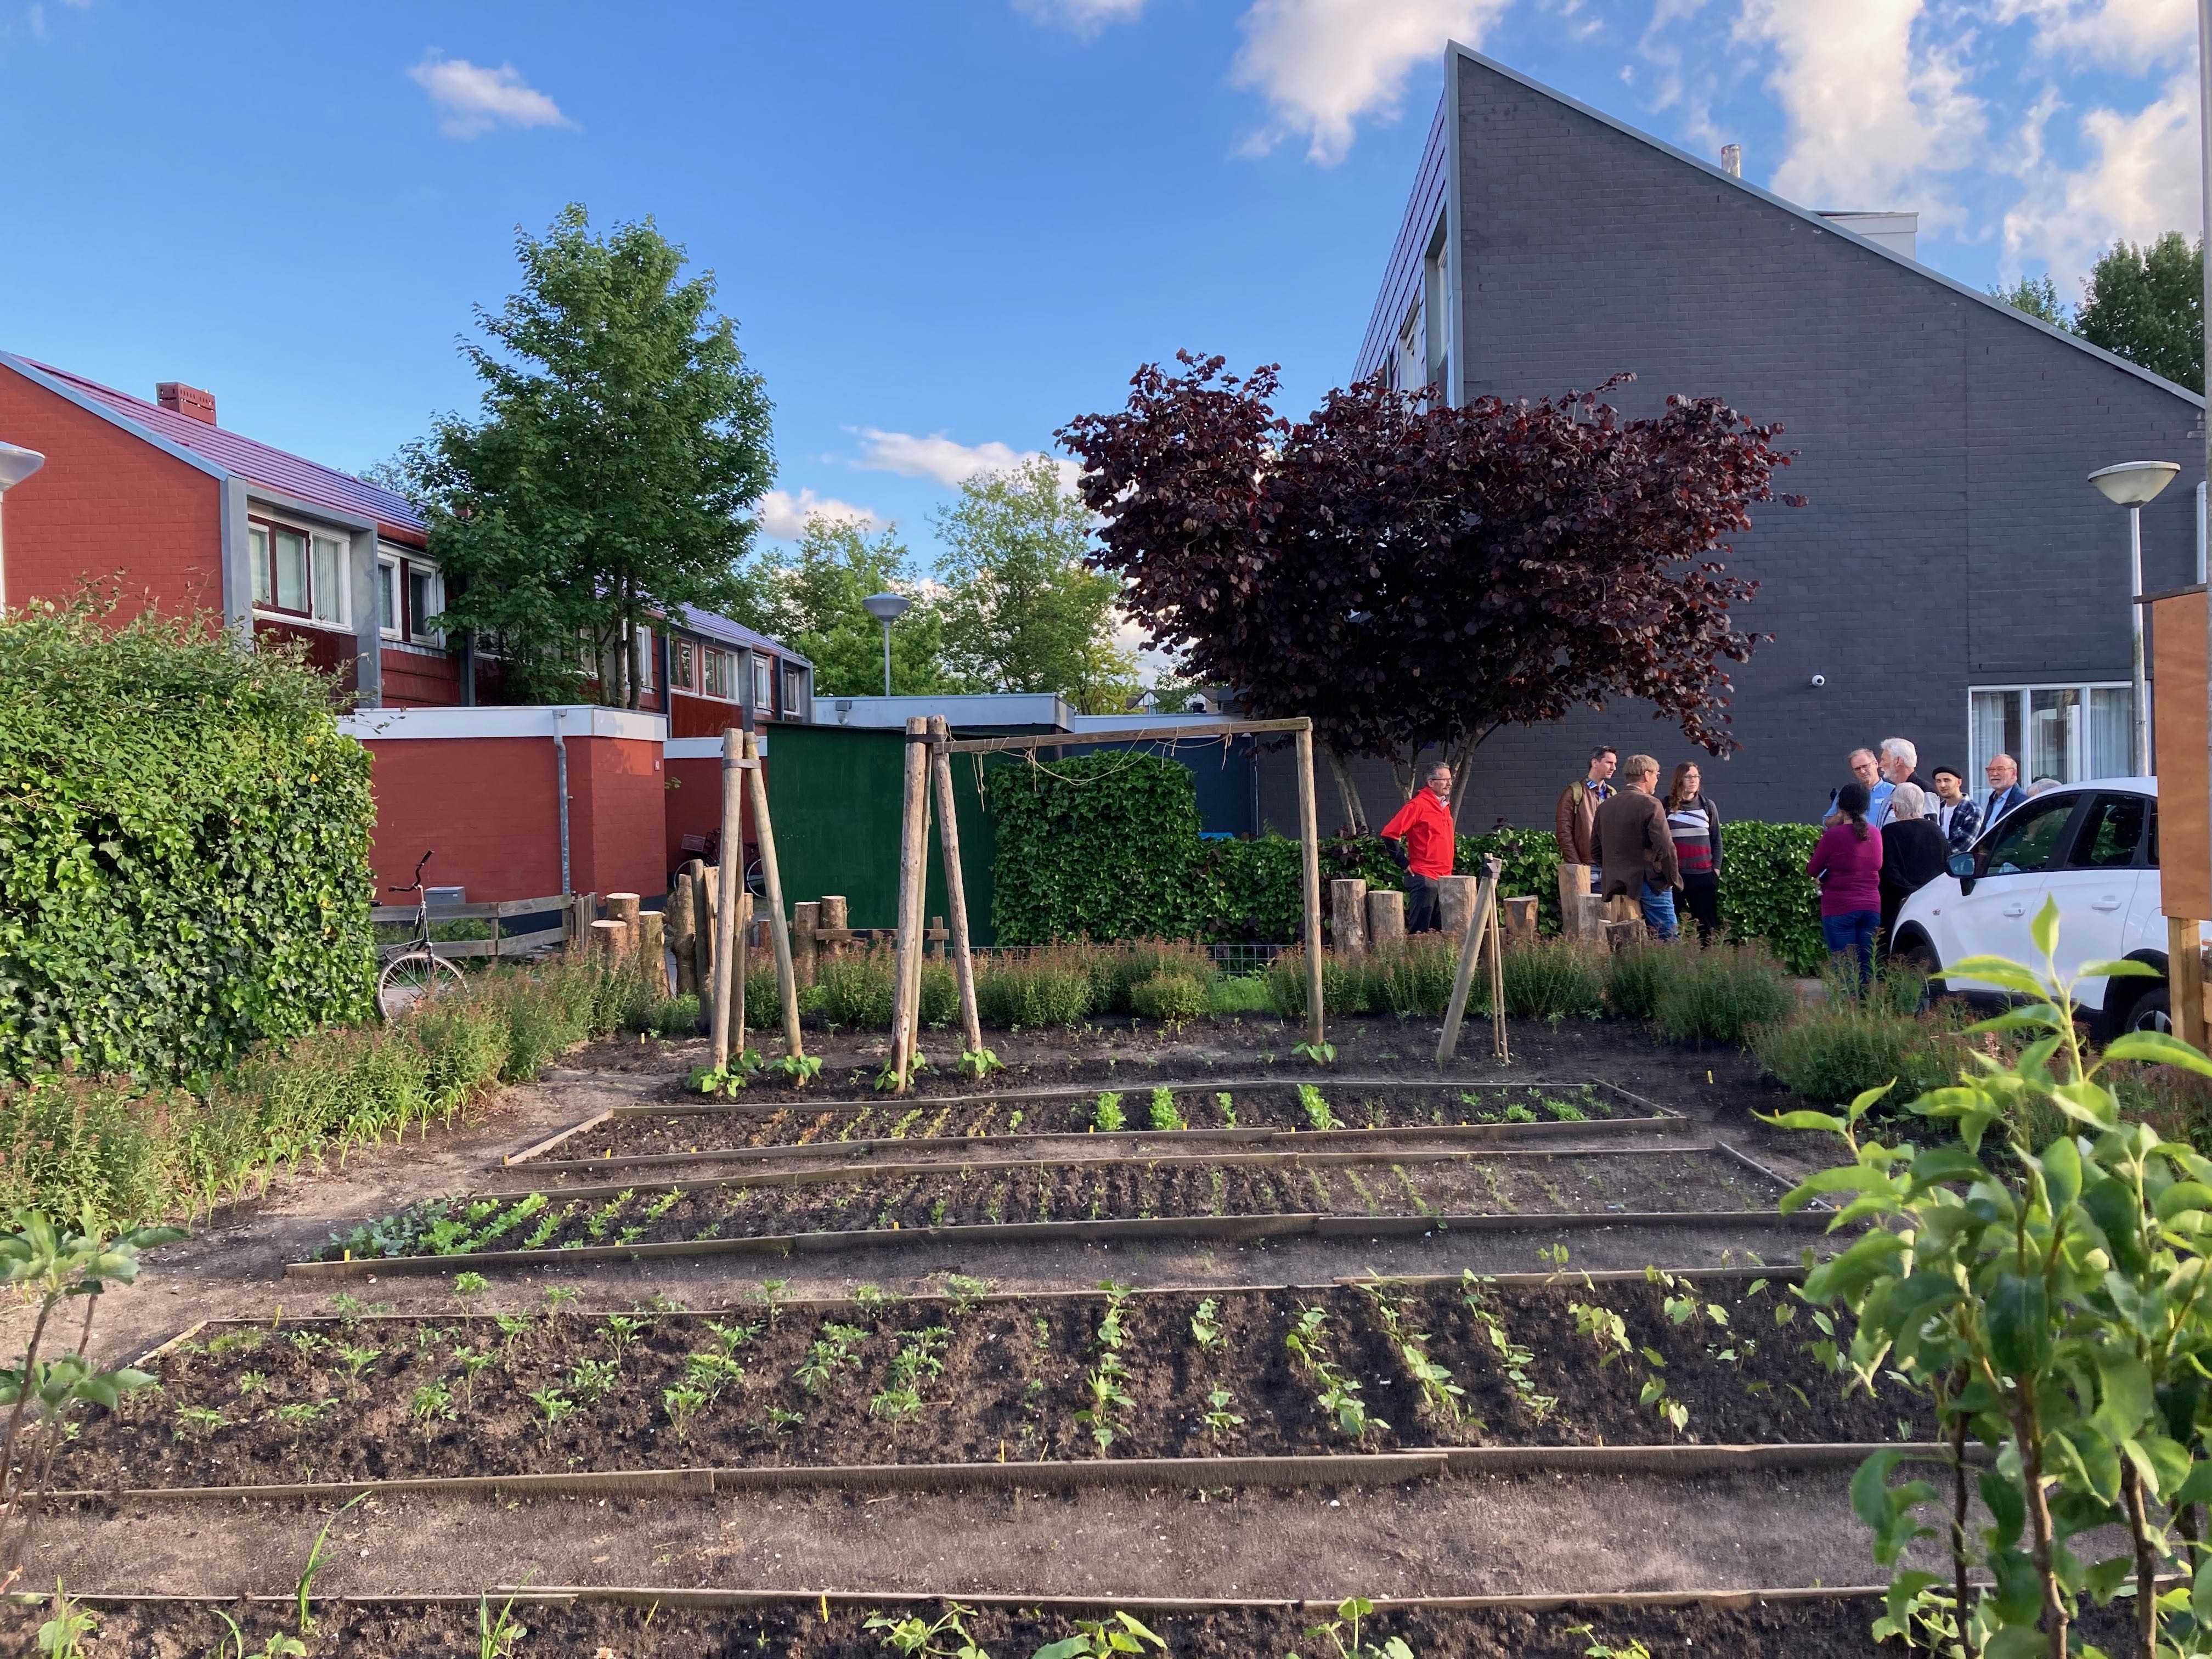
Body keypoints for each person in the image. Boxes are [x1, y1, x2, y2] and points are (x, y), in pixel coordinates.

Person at [1592, 753, 1680, 941]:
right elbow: (1666, 848)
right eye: (1657, 774)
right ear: (1647, 775)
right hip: (1649, 882)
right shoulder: (1651, 804)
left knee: (1625, 942)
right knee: (1668, 940)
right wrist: (1673, 879)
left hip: (1616, 885)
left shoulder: (1605, 806)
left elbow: (1596, 851)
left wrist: (1615, 869)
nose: (1657, 779)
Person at [1808, 780, 1884, 987]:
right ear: (1866, 806)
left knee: (1845, 968)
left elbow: (1812, 869)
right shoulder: (1876, 834)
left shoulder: (1833, 836)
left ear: (1840, 806)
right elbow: (1877, 864)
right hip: (1871, 906)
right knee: (1868, 965)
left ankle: (1849, 1005)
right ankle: (1869, 1004)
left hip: (1839, 907)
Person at [1379, 762, 1455, 933]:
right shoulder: (1418, 805)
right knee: (1420, 933)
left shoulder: (1443, 807)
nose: (1450, 783)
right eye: (1445, 780)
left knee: (1441, 933)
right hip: (1425, 878)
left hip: (1445, 878)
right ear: (1431, 782)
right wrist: (1403, 863)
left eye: (1450, 779)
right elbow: (1389, 833)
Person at [1877, 781, 1948, 945]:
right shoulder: (1935, 830)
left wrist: (1911, 893)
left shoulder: (1889, 833)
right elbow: (1946, 864)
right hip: (1933, 898)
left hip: (1899, 903)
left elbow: (1890, 871)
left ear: (1895, 808)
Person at [1664, 760, 1724, 943]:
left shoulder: (1707, 806)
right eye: (1689, 777)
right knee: (1668, 926)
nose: (1694, 780)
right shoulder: (1665, 806)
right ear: (1679, 779)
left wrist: (1715, 871)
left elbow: (1717, 840)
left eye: (1696, 776)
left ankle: (1708, 959)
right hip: (1675, 877)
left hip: (1703, 876)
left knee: (1708, 928)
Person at [1553, 747, 1617, 889]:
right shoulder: (1575, 792)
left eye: (1615, 764)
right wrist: (1578, 866)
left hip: (1609, 870)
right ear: (1595, 763)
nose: (1614, 768)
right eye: (1609, 763)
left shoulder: (1612, 793)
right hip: (1587, 869)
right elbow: (1564, 832)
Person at [1872, 738, 1933, 825]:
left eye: (1884, 760)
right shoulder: (1895, 791)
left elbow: (1932, 826)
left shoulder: (1925, 790)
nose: (1880, 765)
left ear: (1898, 761)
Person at [1822, 748, 1886, 826]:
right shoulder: (1848, 793)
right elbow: (1827, 824)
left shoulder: (1893, 792)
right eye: (1857, 769)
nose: (1862, 771)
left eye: (1865, 766)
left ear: (1876, 764)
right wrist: (1842, 814)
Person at [1929, 765, 1979, 854]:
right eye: (1938, 781)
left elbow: (1964, 846)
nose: (1942, 785)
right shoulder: (1937, 809)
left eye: (1947, 780)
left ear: (1959, 783)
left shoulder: (1972, 809)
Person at [1983, 753, 2028, 828]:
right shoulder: (1993, 800)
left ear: (2014, 773)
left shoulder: (2022, 803)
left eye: (2000, 769)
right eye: (1991, 770)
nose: (1994, 773)